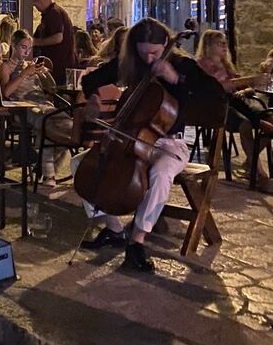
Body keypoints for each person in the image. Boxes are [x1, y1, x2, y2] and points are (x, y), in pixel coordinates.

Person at [77, 17, 224, 272]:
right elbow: (91, 79)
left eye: (154, 53)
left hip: (170, 144)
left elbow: (215, 99)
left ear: (166, 43)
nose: (148, 59)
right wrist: (92, 98)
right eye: (142, 53)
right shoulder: (131, 64)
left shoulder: (183, 65)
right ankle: (114, 229)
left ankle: (137, 241)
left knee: (161, 172)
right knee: (81, 163)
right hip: (132, 141)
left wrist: (176, 78)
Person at [195, 30, 273, 192]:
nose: (224, 46)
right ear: (208, 46)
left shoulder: (226, 64)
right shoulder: (201, 65)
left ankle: (250, 161)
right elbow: (219, 87)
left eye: (225, 42)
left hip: (237, 101)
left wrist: (247, 89)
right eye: (219, 43)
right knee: (245, 125)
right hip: (217, 106)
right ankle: (261, 175)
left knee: (270, 121)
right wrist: (252, 79)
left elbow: (242, 85)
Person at [0, 30, 72, 185]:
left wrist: (44, 75)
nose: (26, 52)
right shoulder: (6, 67)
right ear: (14, 45)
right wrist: (24, 74)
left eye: (29, 48)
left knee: (69, 127)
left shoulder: (30, 65)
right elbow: (6, 93)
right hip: (22, 106)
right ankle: (49, 175)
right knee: (48, 126)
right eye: (23, 47)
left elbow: (52, 89)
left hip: (43, 103)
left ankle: (44, 169)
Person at [31, 0, 76, 85]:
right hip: (57, 63)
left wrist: (36, 42)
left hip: (59, 64)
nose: (35, 5)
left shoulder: (54, 13)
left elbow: (58, 38)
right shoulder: (49, 14)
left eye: (36, 1)